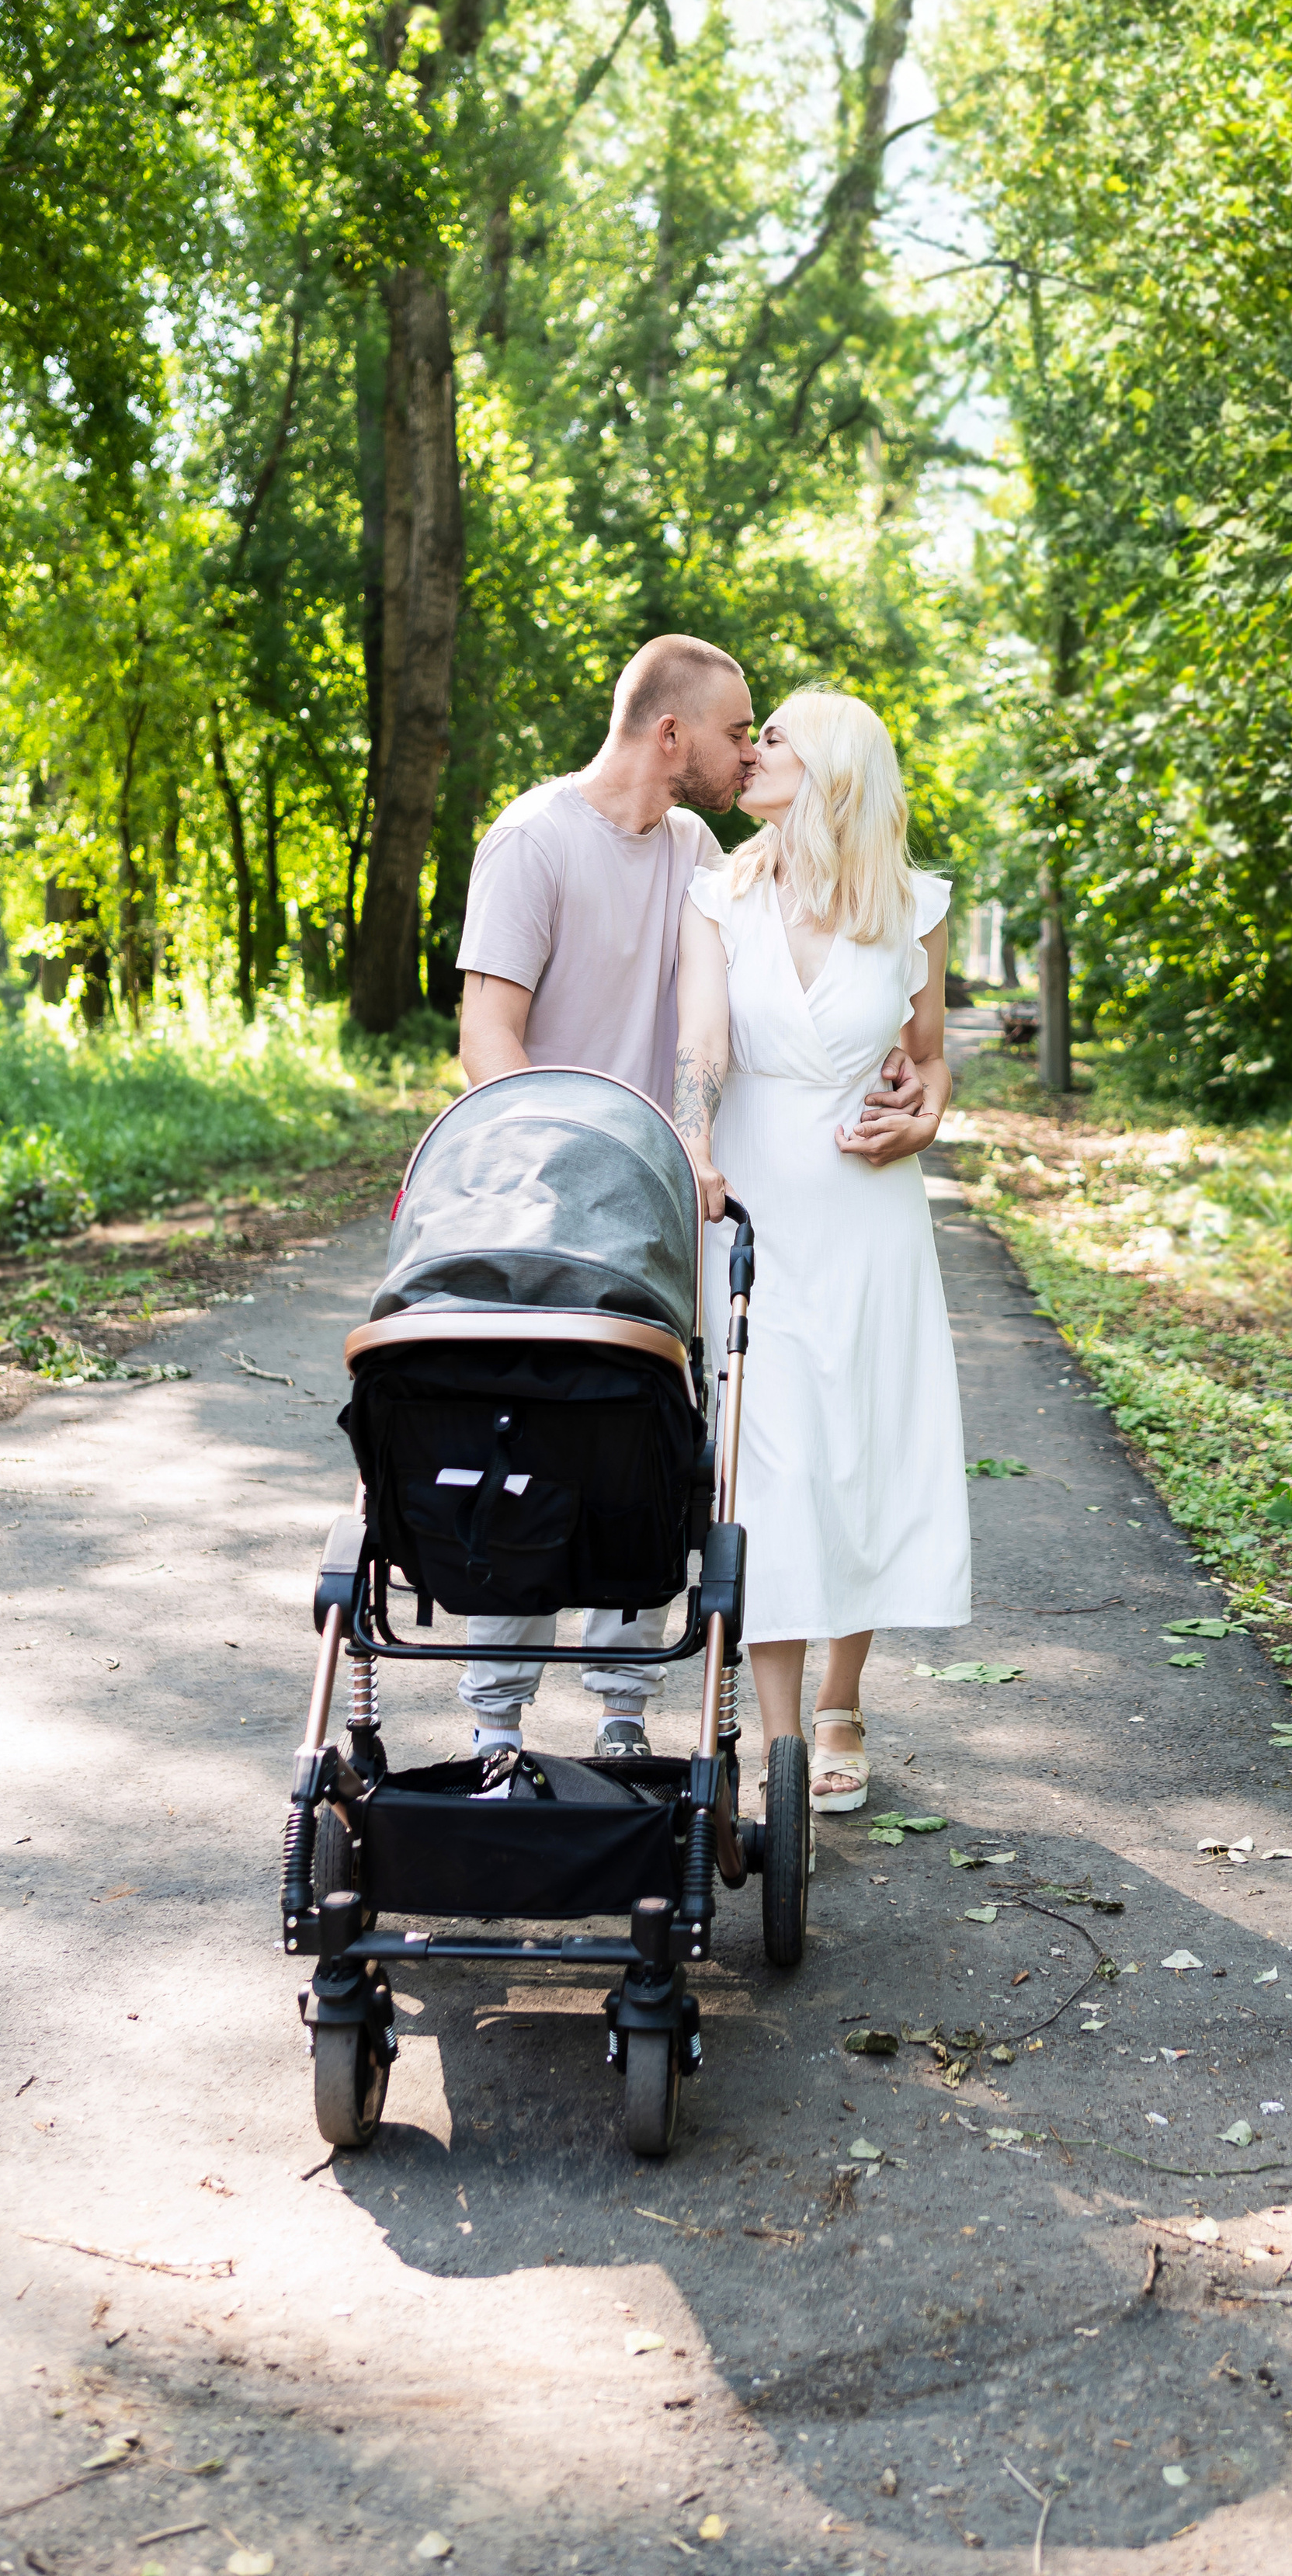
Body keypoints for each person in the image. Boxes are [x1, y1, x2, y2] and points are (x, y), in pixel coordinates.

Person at [450, 632, 753, 1761]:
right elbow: (489, 1034)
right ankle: (495, 1726)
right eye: (735, 730)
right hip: (536, 1202)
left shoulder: (695, 849)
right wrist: (580, 1153)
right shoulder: (533, 840)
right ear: (671, 733)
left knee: (642, 1455)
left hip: (654, 1217)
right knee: (519, 1459)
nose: (746, 749)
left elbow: (716, 1008)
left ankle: (626, 1718)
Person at [672, 689, 971, 1811]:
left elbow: (929, 1058)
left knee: (862, 1446)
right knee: (771, 1457)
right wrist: (694, 1144)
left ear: (833, 768)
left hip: (869, 1214)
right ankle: (783, 1738)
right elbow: (703, 1040)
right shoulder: (723, 896)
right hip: (751, 1205)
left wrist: (927, 1111)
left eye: (776, 738)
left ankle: (846, 1695)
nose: (750, 752)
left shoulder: (912, 907)